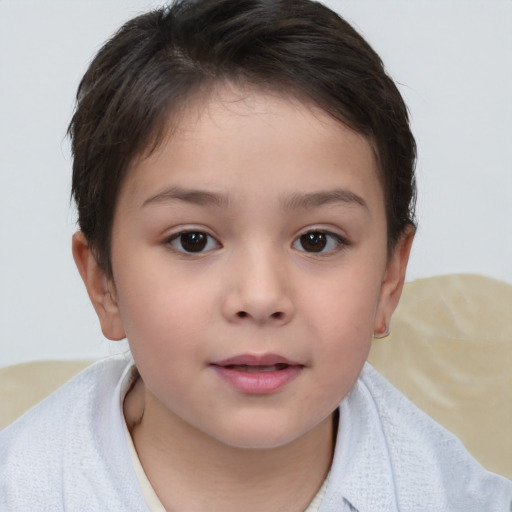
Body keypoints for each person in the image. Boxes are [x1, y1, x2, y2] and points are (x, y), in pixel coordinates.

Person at [0, 0, 510, 510]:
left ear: (388, 280)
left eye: (317, 240)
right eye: (193, 240)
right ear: (102, 283)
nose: (262, 297)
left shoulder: (454, 496)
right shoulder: (23, 487)